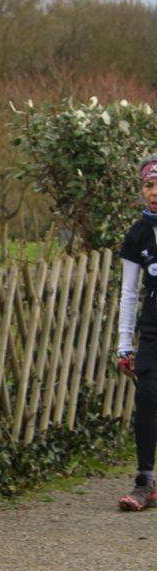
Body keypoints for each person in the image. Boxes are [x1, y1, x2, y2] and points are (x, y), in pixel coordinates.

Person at [116, 152, 157, 511]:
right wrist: (123, 345)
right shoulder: (137, 234)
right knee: (147, 397)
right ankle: (146, 480)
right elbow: (129, 293)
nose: (154, 192)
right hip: (152, 330)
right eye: (149, 185)